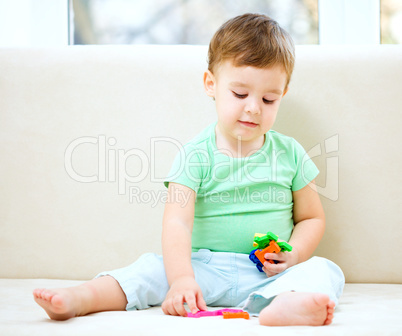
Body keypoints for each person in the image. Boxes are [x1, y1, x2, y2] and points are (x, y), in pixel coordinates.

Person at [33, 13, 345, 326]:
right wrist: (182, 279)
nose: (253, 107)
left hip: (269, 273)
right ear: (211, 84)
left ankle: (285, 304)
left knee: (325, 269)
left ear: (282, 95)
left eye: (268, 99)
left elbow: (311, 217)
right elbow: (177, 225)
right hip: (203, 269)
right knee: (149, 269)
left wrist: (295, 255)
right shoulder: (194, 155)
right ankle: (81, 298)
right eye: (240, 94)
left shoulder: (290, 153)